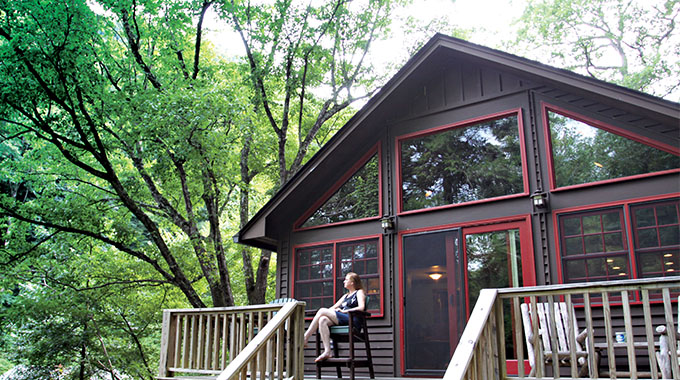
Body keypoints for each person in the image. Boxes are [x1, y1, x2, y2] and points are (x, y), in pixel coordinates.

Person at [303, 272, 366, 362]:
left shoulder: (359, 292)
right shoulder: (345, 296)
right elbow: (333, 308)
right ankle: (327, 351)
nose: (344, 281)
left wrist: (344, 311)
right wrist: (326, 312)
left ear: (352, 282)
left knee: (321, 311)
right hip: (343, 319)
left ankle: (306, 337)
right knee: (322, 320)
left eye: (346, 279)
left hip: (353, 320)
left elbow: (361, 307)